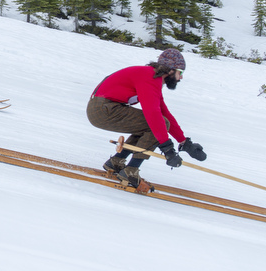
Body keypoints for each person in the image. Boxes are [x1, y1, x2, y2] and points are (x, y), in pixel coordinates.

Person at [86, 48, 206, 191]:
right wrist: (167, 148)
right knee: (155, 124)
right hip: (103, 110)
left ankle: (117, 161)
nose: (181, 78)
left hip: (103, 109)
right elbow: (153, 114)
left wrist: (185, 142)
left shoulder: (151, 77)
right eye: (180, 72)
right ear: (171, 70)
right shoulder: (149, 77)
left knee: (150, 124)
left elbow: (164, 112)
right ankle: (131, 170)